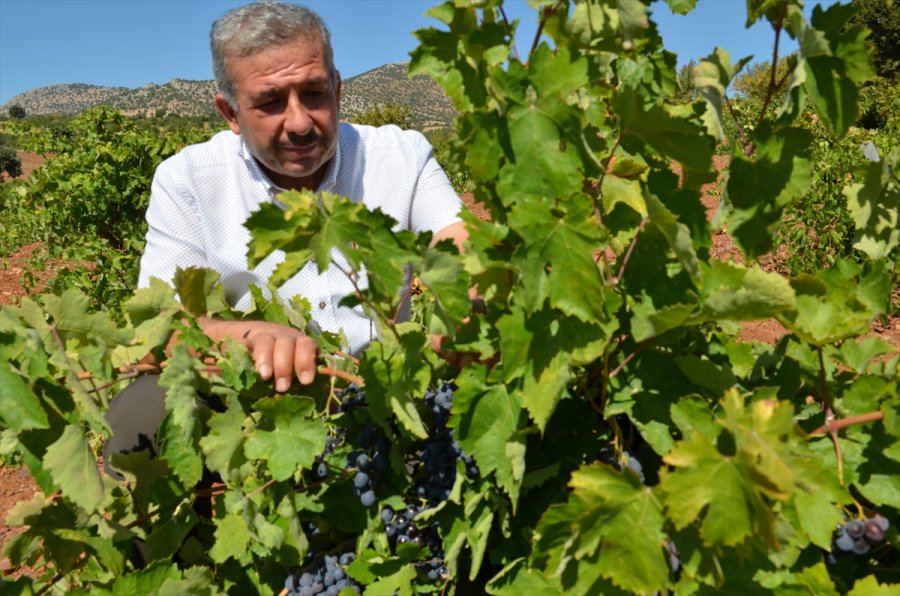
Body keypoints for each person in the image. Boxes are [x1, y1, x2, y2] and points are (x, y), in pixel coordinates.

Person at [137, 1, 468, 392]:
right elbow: (156, 329)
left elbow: (458, 243)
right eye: (271, 102)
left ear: (338, 90)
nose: (299, 122)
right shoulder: (188, 181)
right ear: (230, 114)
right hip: (257, 398)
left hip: (382, 396)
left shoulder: (400, 156)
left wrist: (471, 304)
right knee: (139, 410)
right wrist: (245, 337)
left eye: (314, 93)